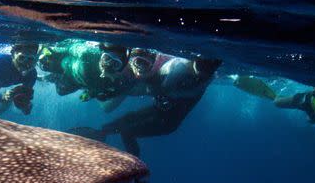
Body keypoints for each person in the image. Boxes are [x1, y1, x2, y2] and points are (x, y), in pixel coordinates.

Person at [71, 55, 222, 157]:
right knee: (127, 120)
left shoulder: (192, 76)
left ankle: (133, 169)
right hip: (160, 111)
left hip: (167, 122)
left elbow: (163, 89)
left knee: (128, 132)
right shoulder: (183, 70)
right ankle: (100, 134)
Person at [38, 40, 138, 112]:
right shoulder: (86, 53)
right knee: (45, 65)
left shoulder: (114, 82)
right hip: (62, 65)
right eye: (106, 59)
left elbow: (98, 89)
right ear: (101, 55)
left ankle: (47, 78)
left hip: (75, 83)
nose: (108, 66)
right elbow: (68, 49)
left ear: (120, 68)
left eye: (115, 64)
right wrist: (51, 51)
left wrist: (91, 94)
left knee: (61, 91)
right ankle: (46, 77)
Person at [232, 76, 315, 124]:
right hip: (305, 100)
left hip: (308, 105)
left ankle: (270, 94)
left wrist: (314, 117)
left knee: (276, 102)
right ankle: (271, 94)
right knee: (276, 102)